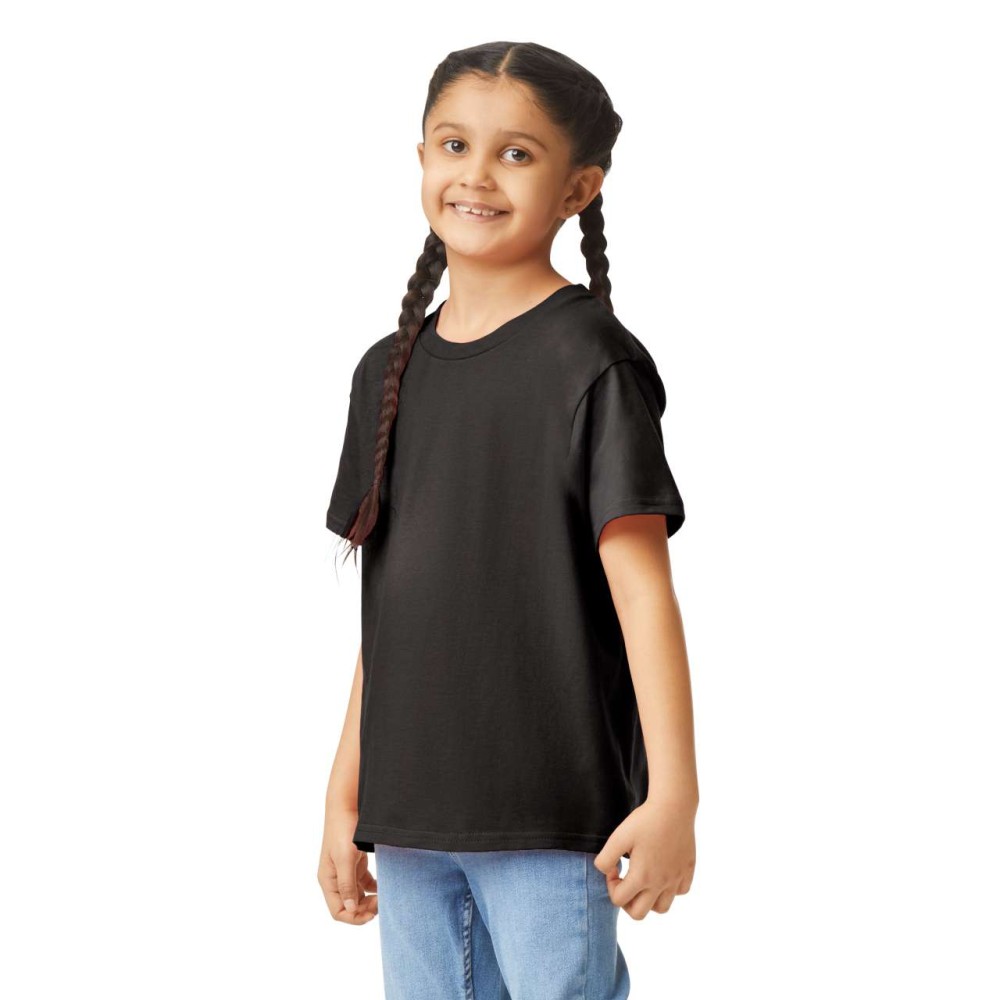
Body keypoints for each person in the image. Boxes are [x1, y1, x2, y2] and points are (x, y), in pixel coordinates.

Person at [317, 40, 699, 1000]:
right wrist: (345, 792)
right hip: (410, 818)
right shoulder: (385, 373)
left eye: (516, 154)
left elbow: (643, 596)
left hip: (548, 814)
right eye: (454, 145)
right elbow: (391, 612)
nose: (477, 175)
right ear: (421, 158)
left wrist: (674, 797)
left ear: (578, 188)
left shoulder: (592, 363)